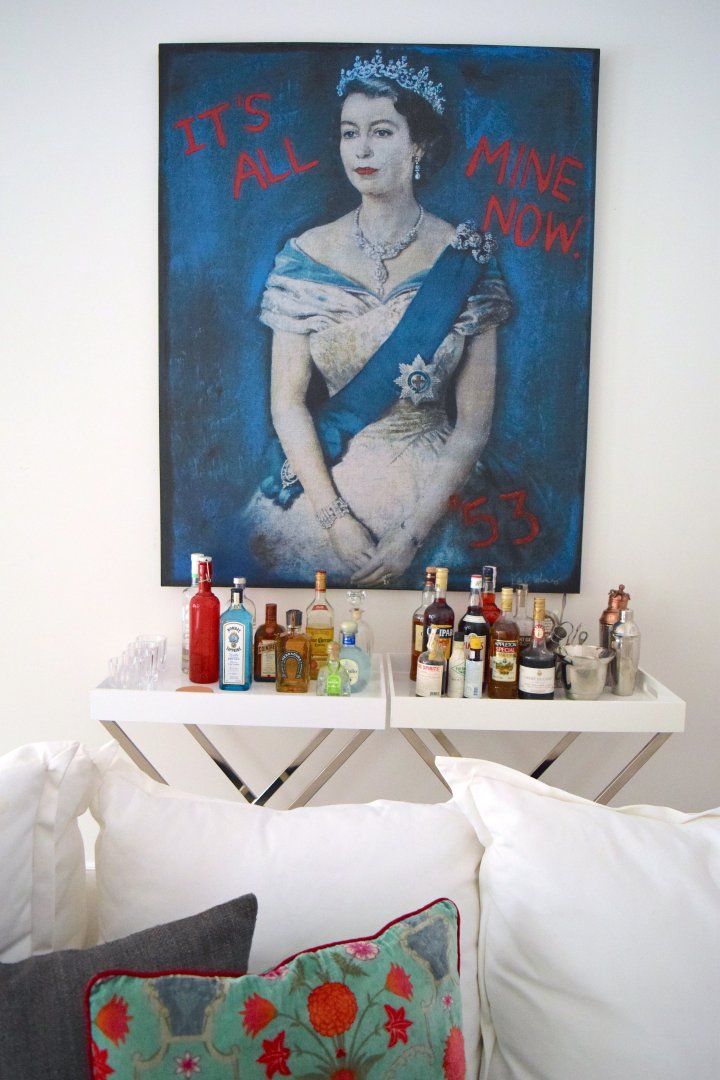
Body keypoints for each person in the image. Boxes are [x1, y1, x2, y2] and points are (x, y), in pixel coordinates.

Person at [246, 50, 512, 586]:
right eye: (350, 133)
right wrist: (335, 521)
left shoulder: (465, 260)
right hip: (327, 485)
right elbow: (287, 403)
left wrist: (411, 535)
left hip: (436, 489)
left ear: (419, 145)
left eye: (382, 132)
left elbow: (474, 426)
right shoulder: (305, 256)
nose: (362, 150)